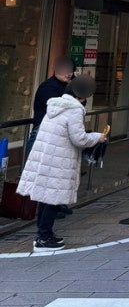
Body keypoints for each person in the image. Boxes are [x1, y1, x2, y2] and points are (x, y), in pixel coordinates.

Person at [18, 75, 106, 250]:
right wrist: (98, 137)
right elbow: (79, 139)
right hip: (59, 160)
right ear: (82, 96)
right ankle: (44, 238)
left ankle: (43, 235)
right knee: (53, 199)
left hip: (46, 158)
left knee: (45, 197)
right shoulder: (74, 110)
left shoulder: (55, 105)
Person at [30, 56, 77, 219]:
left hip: (58, 136)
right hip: (43, 135)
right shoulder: (48, 87)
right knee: (46, 174)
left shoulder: (68, 87)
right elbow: (59, 110)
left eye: (71, 70)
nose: (69, 74)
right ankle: (44, 212)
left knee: (56, 174)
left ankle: (55, 206)